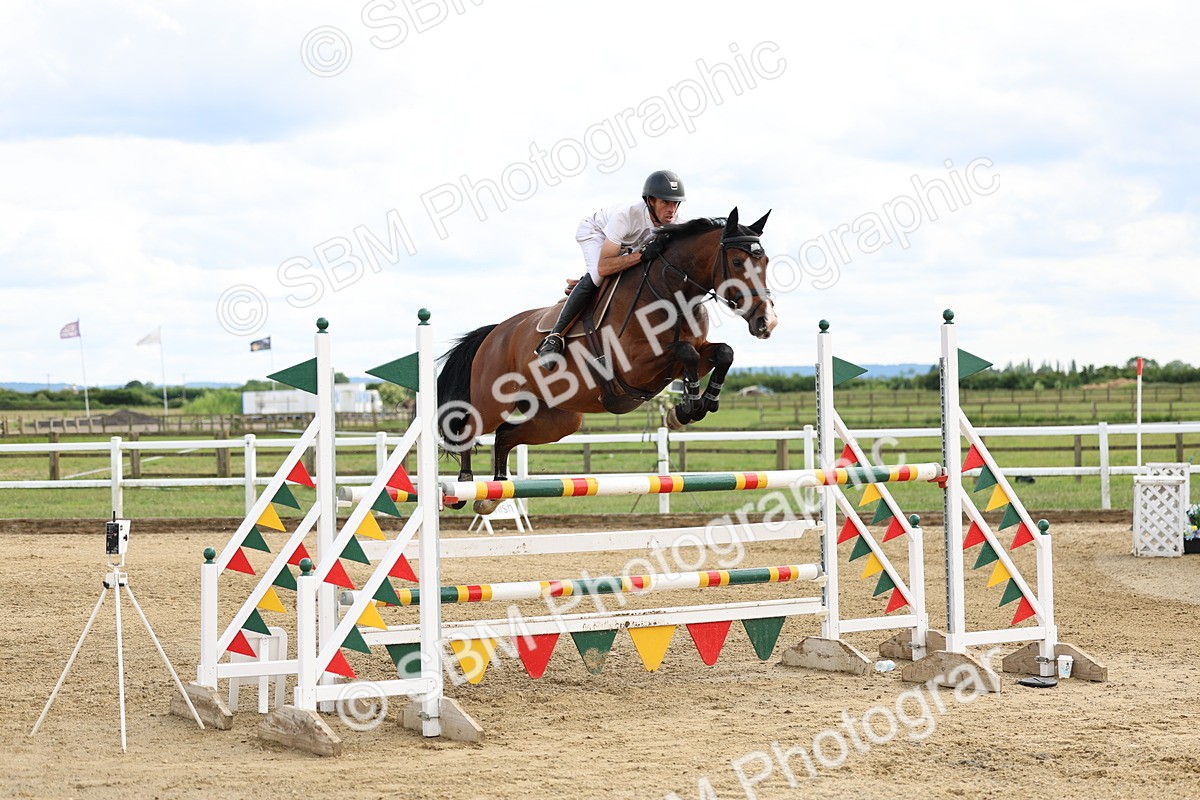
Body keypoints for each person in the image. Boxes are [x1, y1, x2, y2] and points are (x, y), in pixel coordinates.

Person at [533, 170, 686, 366]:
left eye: (675, 203)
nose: (671, 209)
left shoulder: (676, 222)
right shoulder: (627, 215)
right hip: (595, 233)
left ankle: (581, 283)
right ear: (650, 201)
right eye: (665, 202)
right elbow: (605, 267)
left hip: (627, 245)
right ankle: (554, 336)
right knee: (598, 275)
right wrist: (640, 255)